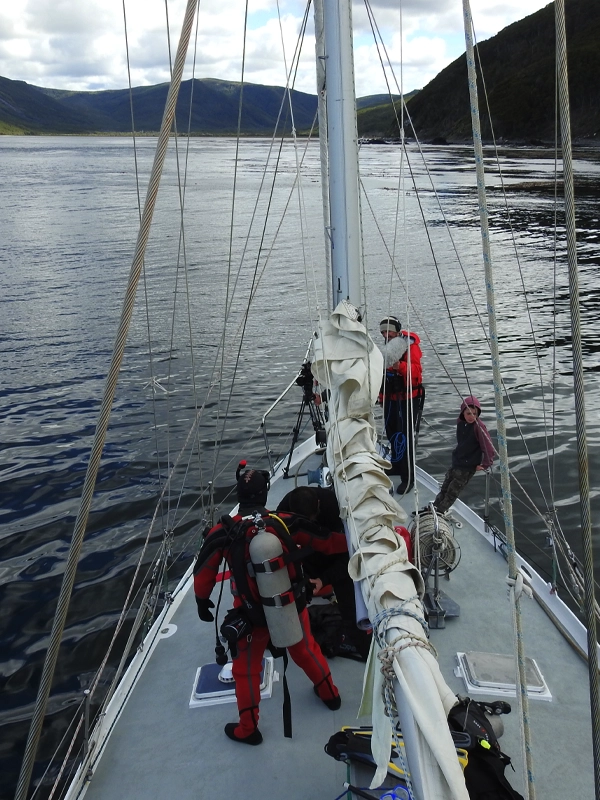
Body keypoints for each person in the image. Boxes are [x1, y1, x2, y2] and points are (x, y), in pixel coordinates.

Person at [193, 468, 346, 746]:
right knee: (305, 649)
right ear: (265, 494)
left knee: (246, 670)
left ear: (239, 496)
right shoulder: (283, 521)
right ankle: (330, 695)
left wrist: (202, 602)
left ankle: (248, 729)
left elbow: (203, 572)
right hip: (289, 605)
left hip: (250, 616)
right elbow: (328, 542)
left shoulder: (222, 532)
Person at [277, 485, 371, 661]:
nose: (308, 526)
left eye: (311, 521)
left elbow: (350, 555)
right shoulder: (284, 514)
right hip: (307, 556)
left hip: (338, 557)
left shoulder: (335, 510)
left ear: (319, 506)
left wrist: (324, 578)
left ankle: (366, 651)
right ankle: (286, 636)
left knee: (350, 611)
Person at [378, 315, 425, 495]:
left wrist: (400, 366)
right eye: (383, 331)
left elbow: (417, 372)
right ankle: (397, 466)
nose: (386, 334)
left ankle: (409, 477)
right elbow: (383, 373)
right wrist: (382, 396)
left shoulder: (410, 346)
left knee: (405, 437)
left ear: (397, 331)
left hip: (408, 398)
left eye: (389, 330)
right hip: (391, 397)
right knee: (392, 432)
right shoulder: (389, 347)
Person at [433, 395, 495, 514]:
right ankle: (434, 507)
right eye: (468, 413)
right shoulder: (460, 422)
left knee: (452, 491)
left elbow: (488, 447)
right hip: (457, 461)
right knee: (445, 487)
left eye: (474, 414)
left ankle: (439, 512)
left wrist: (486, 464)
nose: (471, 417)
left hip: (468, 466)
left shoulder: (479, 427)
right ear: (463, 413)